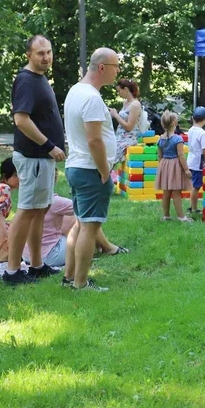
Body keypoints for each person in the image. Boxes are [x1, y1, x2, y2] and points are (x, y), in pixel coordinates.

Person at [7, 36, 66, 286]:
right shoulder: (26, 81)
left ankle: (37, 264)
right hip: (34, 157)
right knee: (27, 210)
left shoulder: (40, 78)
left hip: (42, 159)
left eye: (49, 52)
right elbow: (21, 120)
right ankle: (12, 271)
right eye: (40, 53)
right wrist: (49, 145)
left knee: (40, 210)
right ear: (28, 55)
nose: (46, 57)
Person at [62, 47, 120, 292]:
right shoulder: (92, 98)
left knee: (80, 223)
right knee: (90, 226)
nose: (118, 72)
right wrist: (105, 170)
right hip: (90, 169)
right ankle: (81, 283)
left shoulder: (76, 90)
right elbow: (94, 140)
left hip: (76, 165)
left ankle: (69, 277)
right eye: (117, 66)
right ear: (103, 68)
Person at [29, 195, 126, 267]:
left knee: (72, 217)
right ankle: (107, 247)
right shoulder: (55, 201)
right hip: (49, 257)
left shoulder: (28, 199)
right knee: (83, 219)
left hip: (27, 256)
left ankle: (103, 246)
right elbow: (87, 210)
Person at [156, 111, 192, 222]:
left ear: (163, 124)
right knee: (176, 192)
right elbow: (181, 155)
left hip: (164, 164)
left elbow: (159, 156)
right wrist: (186, 169)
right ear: (175, 122)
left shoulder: (160, 139)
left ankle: (166, 216)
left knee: (166, 192)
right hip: (175, 166)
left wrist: (162, 167)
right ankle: (182, 217)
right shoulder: (178, 139)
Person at [109, 79, 146, 167]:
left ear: (125, 89)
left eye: (119, 91)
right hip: (120, 135)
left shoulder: (135, 105)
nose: (119, 93)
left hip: (129, 137)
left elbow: (129, 127)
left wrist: (116, 115)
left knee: (111, 157)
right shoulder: (125, 102)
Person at [187, 106, 205, 217]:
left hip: (191, 161)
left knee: (193, 185)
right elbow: (204, 150)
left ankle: (191, 206)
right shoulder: (202, 133)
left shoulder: (191, 130)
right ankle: (193, 208)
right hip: (198, 163)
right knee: (196, 187)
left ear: (193, 118)